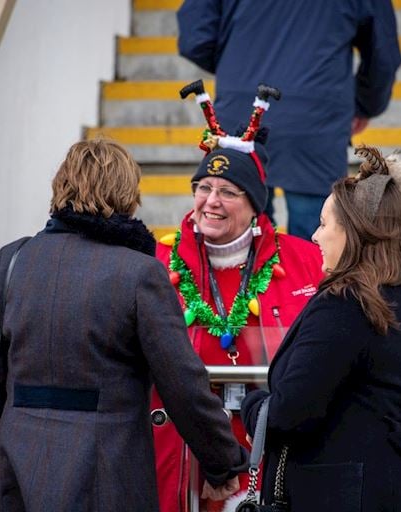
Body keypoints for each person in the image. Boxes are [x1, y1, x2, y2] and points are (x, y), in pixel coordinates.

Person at [0, 138, 248, 512]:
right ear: (126, 194)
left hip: (19, 459)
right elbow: (181, 382)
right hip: (106, 466)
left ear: (61, 187)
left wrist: (26, 416)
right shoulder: (139, 273)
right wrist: (223, 462)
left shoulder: (12, 259)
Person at [240, 146, 401, 511]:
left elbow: (289, 413)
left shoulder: (345, 304)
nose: (316, 237)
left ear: (353, 232)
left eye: (324, 224)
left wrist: (252, 405)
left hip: (347, 496)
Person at [151, 82, 324, 512]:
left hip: (273, 452)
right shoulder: (157, 261)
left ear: (254, 206)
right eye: (203, 187)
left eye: (228, 192)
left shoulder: (307, 262)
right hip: (182, 454)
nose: (211, 202)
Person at [177, 0, 401, 241]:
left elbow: (195, 38)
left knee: (241, 239)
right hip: (315, 117)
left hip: (241, 112)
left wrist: (238, 66)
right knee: (316, 245)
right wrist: (365, 106)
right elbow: (383, 53)